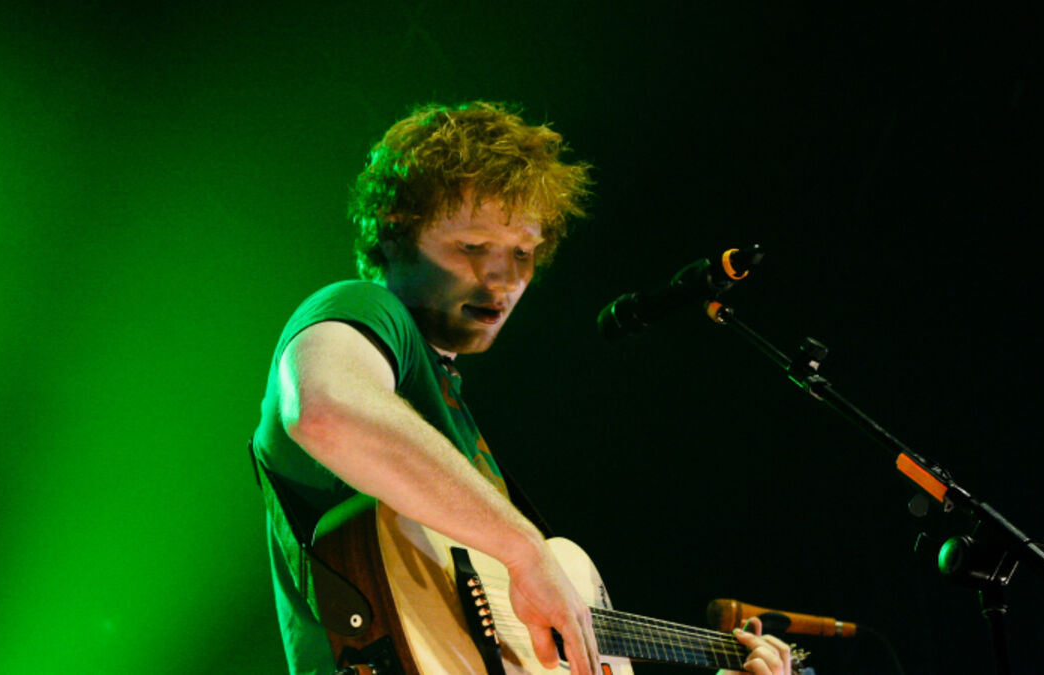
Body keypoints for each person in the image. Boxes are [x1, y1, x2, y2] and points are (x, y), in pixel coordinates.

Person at [252, 101, 791, 675]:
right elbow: (325, 410)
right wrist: (525, 549)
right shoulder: (362, 307)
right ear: (393, 234)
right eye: (471, 246)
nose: (504, 279)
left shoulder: (447, 405)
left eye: (523, 254)